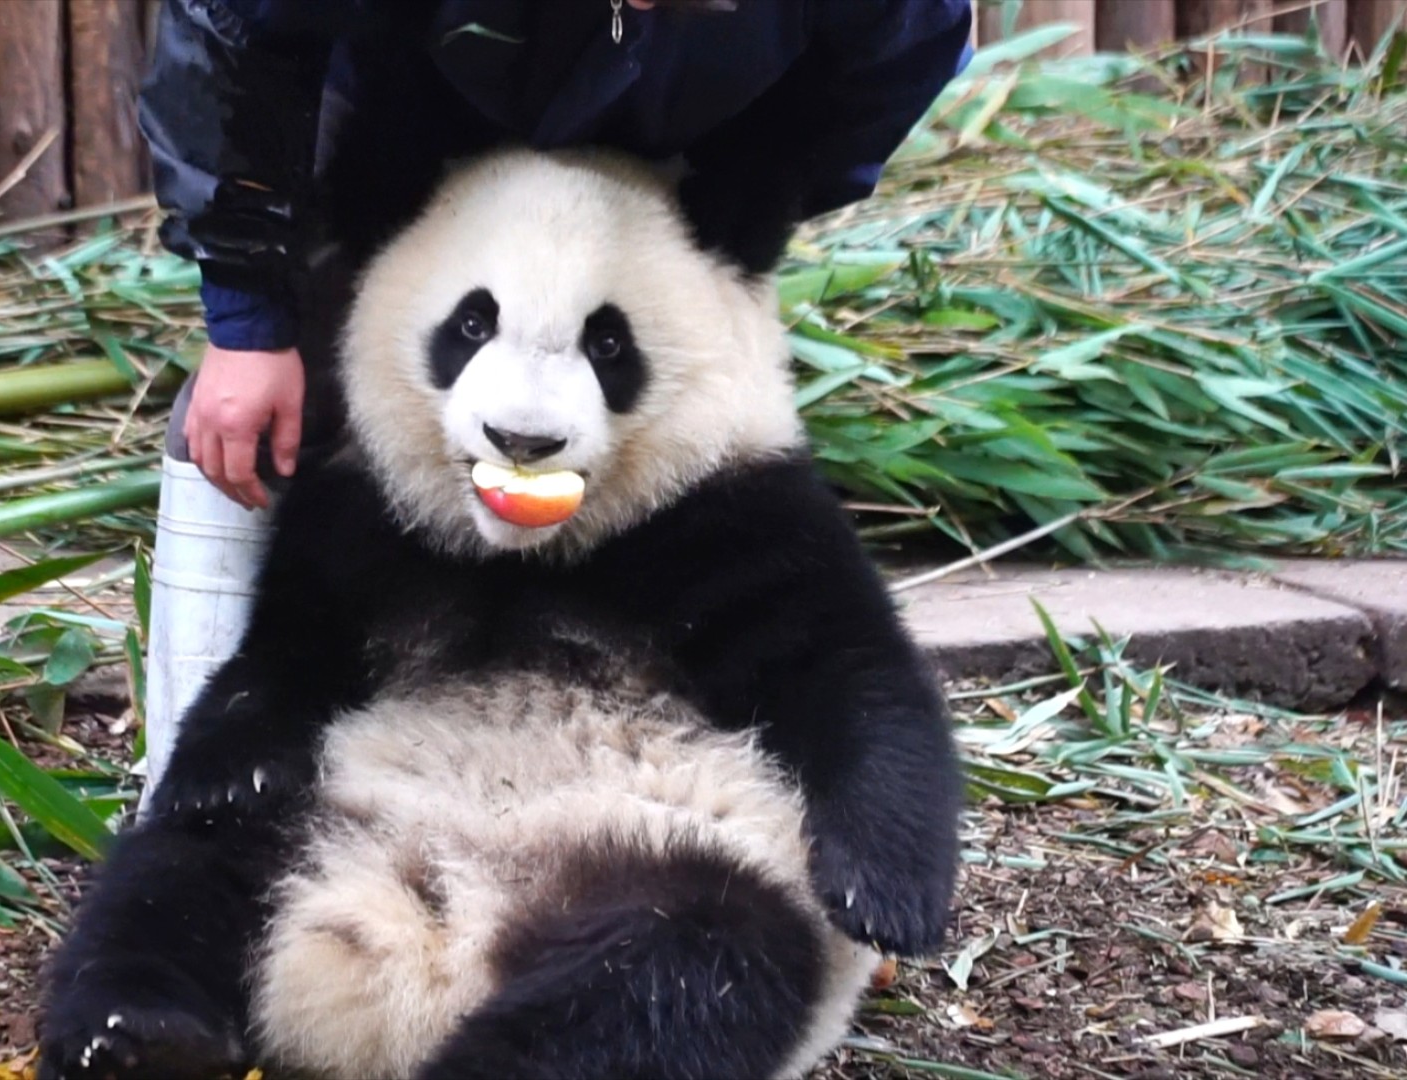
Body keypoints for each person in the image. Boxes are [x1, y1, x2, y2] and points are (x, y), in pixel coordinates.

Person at [133, 0, 973, 796]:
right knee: (256, 416)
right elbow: (233, 28)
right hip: (402, 116)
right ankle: (196, 790)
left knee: (690, 435)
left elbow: (900, 57)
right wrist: (246, 320)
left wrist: (728, 195)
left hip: (685, 144)